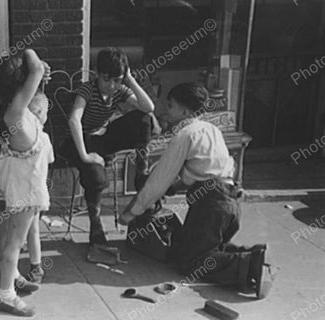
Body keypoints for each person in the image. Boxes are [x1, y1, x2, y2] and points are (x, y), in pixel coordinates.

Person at [119, 82, 273, 299]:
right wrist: (175, 187)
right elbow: (209, 170)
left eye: (170, 106)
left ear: (185, 111)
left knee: (192, 262)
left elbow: (158, 181)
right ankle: (252, 253)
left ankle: (249, 266)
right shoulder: (211, 129)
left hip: (211, 205)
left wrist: (131, 212)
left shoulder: (184, 135)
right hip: (231, 200)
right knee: (207, 250)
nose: (166, 111)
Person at [59, 47, 155, 254]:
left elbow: (148, 108)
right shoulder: (87, 89)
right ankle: (96, 228)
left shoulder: (119, 89)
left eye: (117, 80)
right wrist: (85, 156)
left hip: (102, 137)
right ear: (96, 74)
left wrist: (129, 80)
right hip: (79, 141)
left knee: (144, 120)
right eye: (106, 79)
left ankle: (141, 176)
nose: (111, 85)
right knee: (95, 176)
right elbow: (74, 120)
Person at [0, 49, 53, 316]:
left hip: (17, 184)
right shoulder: (16, 114)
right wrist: (26, 51)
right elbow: (36, 69)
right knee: (15, 243)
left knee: (8, 238)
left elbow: (37, 72)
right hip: (25, 190)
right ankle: (6, 295)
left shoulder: (13, 111)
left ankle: (11, 275)